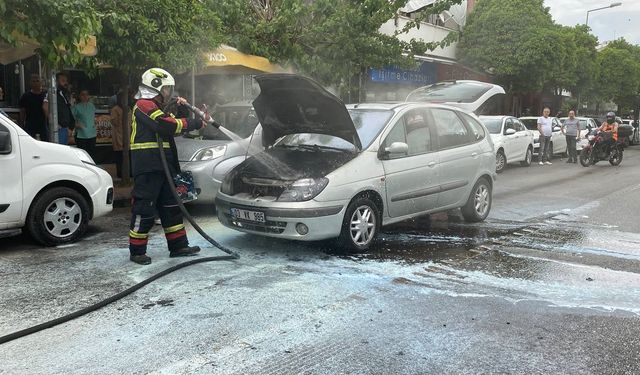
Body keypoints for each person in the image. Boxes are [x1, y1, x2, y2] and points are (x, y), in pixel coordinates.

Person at [128, 68, 207, 265]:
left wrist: (184, 111)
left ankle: (178, 246)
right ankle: (137, 250)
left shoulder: (157, 107)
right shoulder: (143, 104)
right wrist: (195, 122)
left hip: (164, 165)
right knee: (144, 208)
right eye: (167, 89)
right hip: (148, 166)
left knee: (171, 207)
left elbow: (170, 123)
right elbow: (166, 125)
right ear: (156, 87)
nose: (169, 92)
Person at [43, 72, 74, 145]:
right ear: (56, 82)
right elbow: (45, 107)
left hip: (65, 129)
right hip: (58, 130)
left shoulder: (63, 94)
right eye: (63, 81)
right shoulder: (51, 93)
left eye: (66, 81)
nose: (65, 83)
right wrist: (54, 124)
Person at [19, 75, 48, 141]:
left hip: (43, 124)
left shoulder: (45, 95)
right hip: (30, 123)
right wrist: (21, 124)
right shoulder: (26, 96)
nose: (35, 83)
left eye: (37, 81)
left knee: (45, 142)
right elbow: (22, 110)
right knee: (28, 141)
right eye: (33, 81)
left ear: (41, 82)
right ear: (30, 83)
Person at [72, 89, 97, 159]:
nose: (85, 96)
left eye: (86, 94)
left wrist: (94, 123)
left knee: (91, 154)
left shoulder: (92, 106)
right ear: (79, 96)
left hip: (92, 133)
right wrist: (77, 125)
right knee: (82, 154)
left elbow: (93, 116)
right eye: (83, 94)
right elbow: (70, 119)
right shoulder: (76, 107)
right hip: (81, 134)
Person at [110, 90, 125, 179]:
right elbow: (114, 121)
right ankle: (120, 173)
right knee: (119, 155)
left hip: (127, 135)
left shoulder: (128, 109)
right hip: (118, 135)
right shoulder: (115, 109)